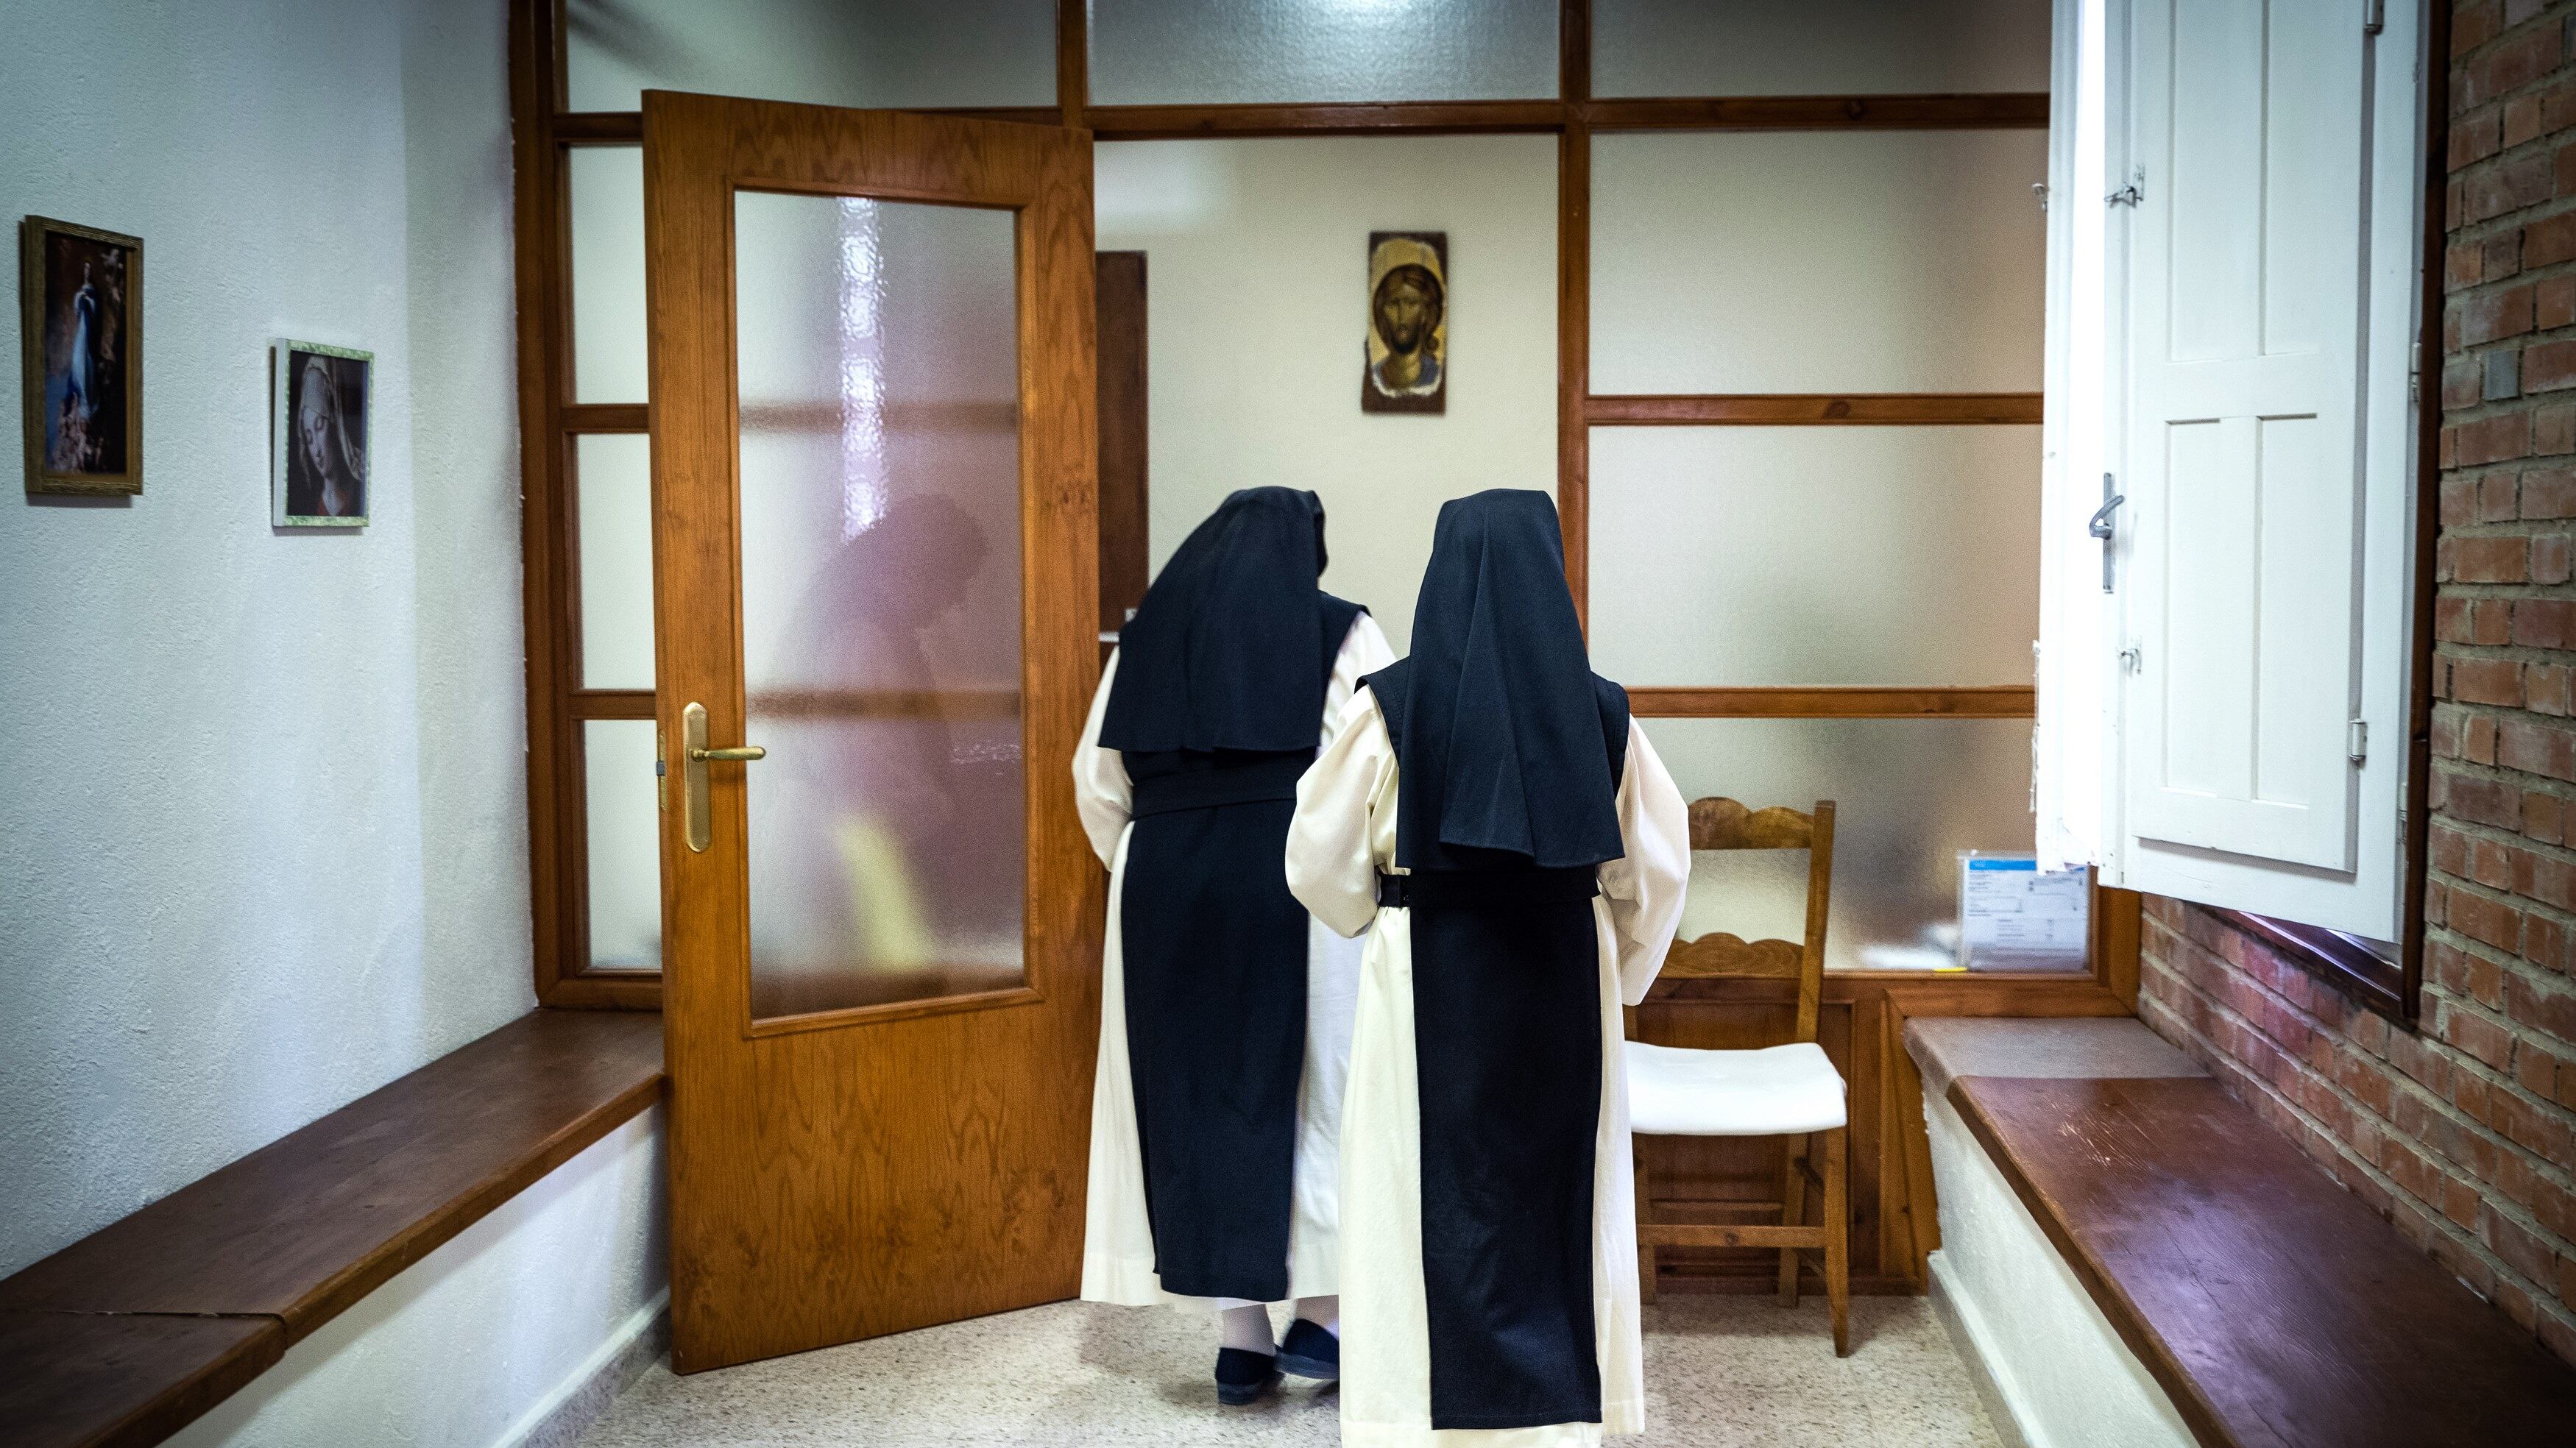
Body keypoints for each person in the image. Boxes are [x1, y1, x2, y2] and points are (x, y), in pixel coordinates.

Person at [1286, 489, 1689, 1447]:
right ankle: (1555, 1422)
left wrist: (1369, 919)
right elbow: (1658, 873)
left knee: (1412, 1198)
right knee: (1560, 1211)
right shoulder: (1602, 714)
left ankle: (1414, 1417)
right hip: (1564, 975)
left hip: (1418, 975)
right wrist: (1622, 973)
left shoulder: (1388, 709)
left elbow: (1315, 861)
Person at [1073, 486, 1397, 1405]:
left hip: (1160, 883)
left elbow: (1097, 784)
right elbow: (1378, 764)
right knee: (1318, 1091)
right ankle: (1322, 1322)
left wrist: (1153, 860)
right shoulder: (1341, 630)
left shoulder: (1143, 639)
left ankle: (1238, 1341)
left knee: (1192, 1100)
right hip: (1294, 876)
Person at [287, 352, 367, 519]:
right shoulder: (309, 503)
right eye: (309, 439)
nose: (316, 451)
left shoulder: (358, 492)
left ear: (335, 425)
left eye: (320, 427)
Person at [1367, 261, 1444, 400]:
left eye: (1411, 303)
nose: (1402, 317)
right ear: (1382, 313)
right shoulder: (1374, 377)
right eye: (1393, 304)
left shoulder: (1438, 377)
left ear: (1426, 313)